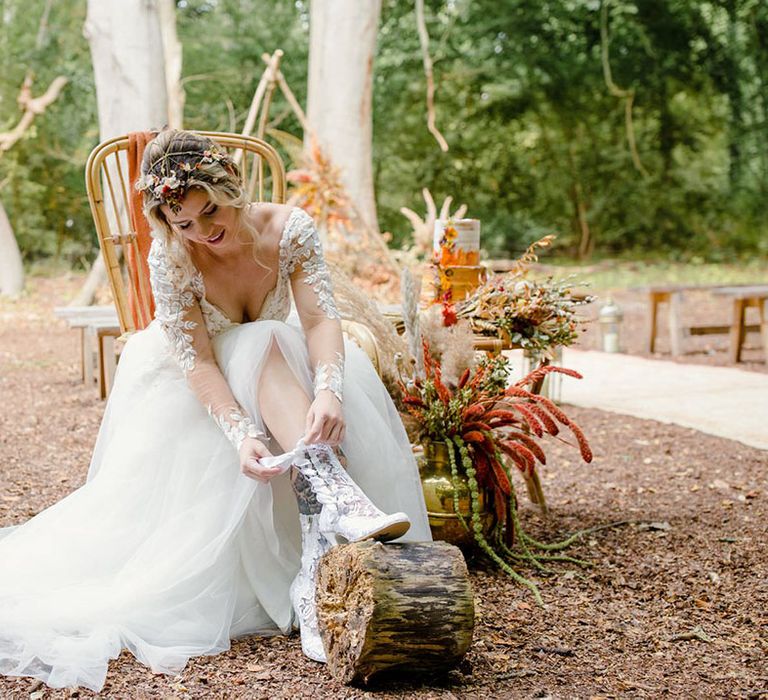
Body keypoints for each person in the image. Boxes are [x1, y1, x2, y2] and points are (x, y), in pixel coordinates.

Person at [0, 129, 432, 692]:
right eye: (183, 223)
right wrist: (239, 432)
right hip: (196, 383)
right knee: (259, 342)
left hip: (283, 370)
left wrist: (329, 390)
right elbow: (199, 360)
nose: (203, 231)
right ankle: (328, 505)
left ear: (232, 187)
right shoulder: (173, 256)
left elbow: (322, 321)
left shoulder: (290, 231)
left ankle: (320, 537)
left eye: (211, 210)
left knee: (275, 338)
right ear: (167, 223)